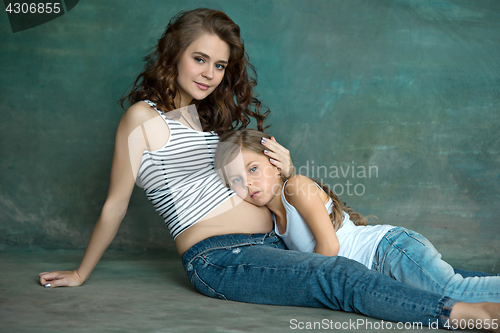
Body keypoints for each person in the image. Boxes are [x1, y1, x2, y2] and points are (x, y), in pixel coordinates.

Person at [38, 8, 500, 330]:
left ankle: (467, 302)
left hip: (271, 240)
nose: (210, 74)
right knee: (337, 276)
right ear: (172, 54)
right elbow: (116, 204)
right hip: (219, 257)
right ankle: (471, 315)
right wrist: (81, 273)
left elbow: (261, 186)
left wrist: (288, 171)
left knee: (383, 271)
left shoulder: (209, 121)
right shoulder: (142, 119)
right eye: (199, 59)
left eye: (219, 65)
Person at [214, 128, 500, 303]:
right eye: (236, 180)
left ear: (275, 163)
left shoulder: (296, 187)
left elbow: (330, 247)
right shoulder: (272, 220)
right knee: (455, 288)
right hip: (379, 267)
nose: (247, 184)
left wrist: (302, 282)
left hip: (389, 250)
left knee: (454, 290)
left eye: (252, 169)